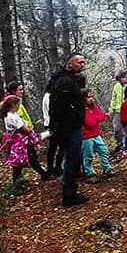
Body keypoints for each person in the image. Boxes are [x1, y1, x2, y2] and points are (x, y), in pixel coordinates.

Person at [49, 52, 90, 207]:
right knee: (71, 159)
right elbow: (60, 107)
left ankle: (71, 191)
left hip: (70, 126)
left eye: (83, 62)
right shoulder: (64, 81)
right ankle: (69, 195)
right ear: (70, 64)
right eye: (79, 62)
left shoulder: (70, 80)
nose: (82, 65)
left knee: (73, 158)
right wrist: (74, 119)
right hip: (68, 128)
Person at [0, 95, 50, 194]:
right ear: (13, 105)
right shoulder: (11, 117)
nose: (19, 106)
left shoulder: (10, 115)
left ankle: (41, 175)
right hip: (20, 142)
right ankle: (17, 186)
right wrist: (27, 128)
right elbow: (25, 129)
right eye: (18, 104)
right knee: (22, 162)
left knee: (24, 161)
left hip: (19, 141)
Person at [81, 88, 113, 180]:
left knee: (104, 150)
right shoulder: (82, 110)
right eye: (88, 97)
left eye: (92, 97)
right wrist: (96, 118)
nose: (91, 99)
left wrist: (95, 118)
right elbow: (89, 123)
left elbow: (102, 116)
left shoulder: (93, 107)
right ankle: (90, 173)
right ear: (83, 98)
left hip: (96, 135)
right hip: (86, 137)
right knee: (88, 155)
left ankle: (107, 168)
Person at [41, 82, 64, 176]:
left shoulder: (47, 96)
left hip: (50, 124)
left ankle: (53, 168)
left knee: (53, 147)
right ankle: (55, 168)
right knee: (59, 146)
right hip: (53, 124)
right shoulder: (50, 96)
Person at [108, 70, 127, 160]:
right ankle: (119, 145)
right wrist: (111, 109)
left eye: (124, 77)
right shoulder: (116, 86)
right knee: (117, 129)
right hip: (117, 111)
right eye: (122, 78)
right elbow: (113, 98)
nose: (124, 79)